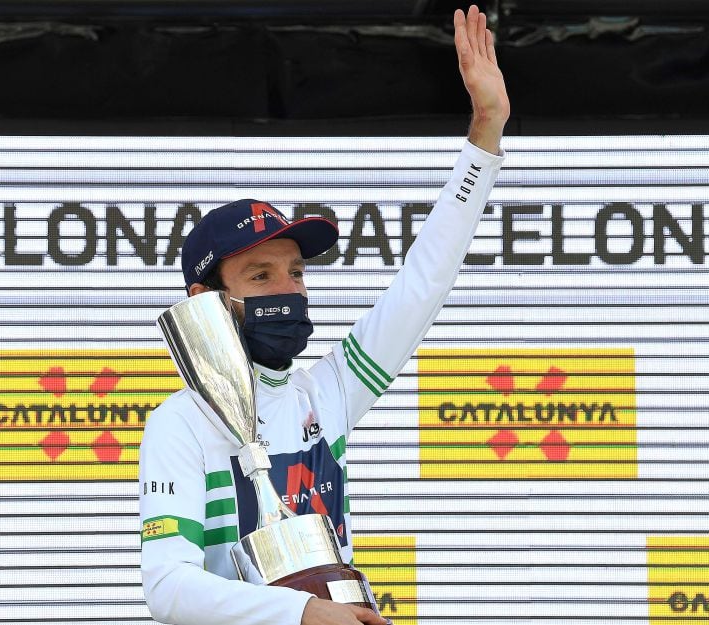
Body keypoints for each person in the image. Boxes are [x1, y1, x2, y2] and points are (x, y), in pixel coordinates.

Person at [138, 5, 509, 625]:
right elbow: (169, 590)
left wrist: (485, 133)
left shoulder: (326, 393)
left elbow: (423, 283)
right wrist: (303, 614)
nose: (289, 289)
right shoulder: (180, 424)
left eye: (297, 272)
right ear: (207, 301)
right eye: (261, 276)